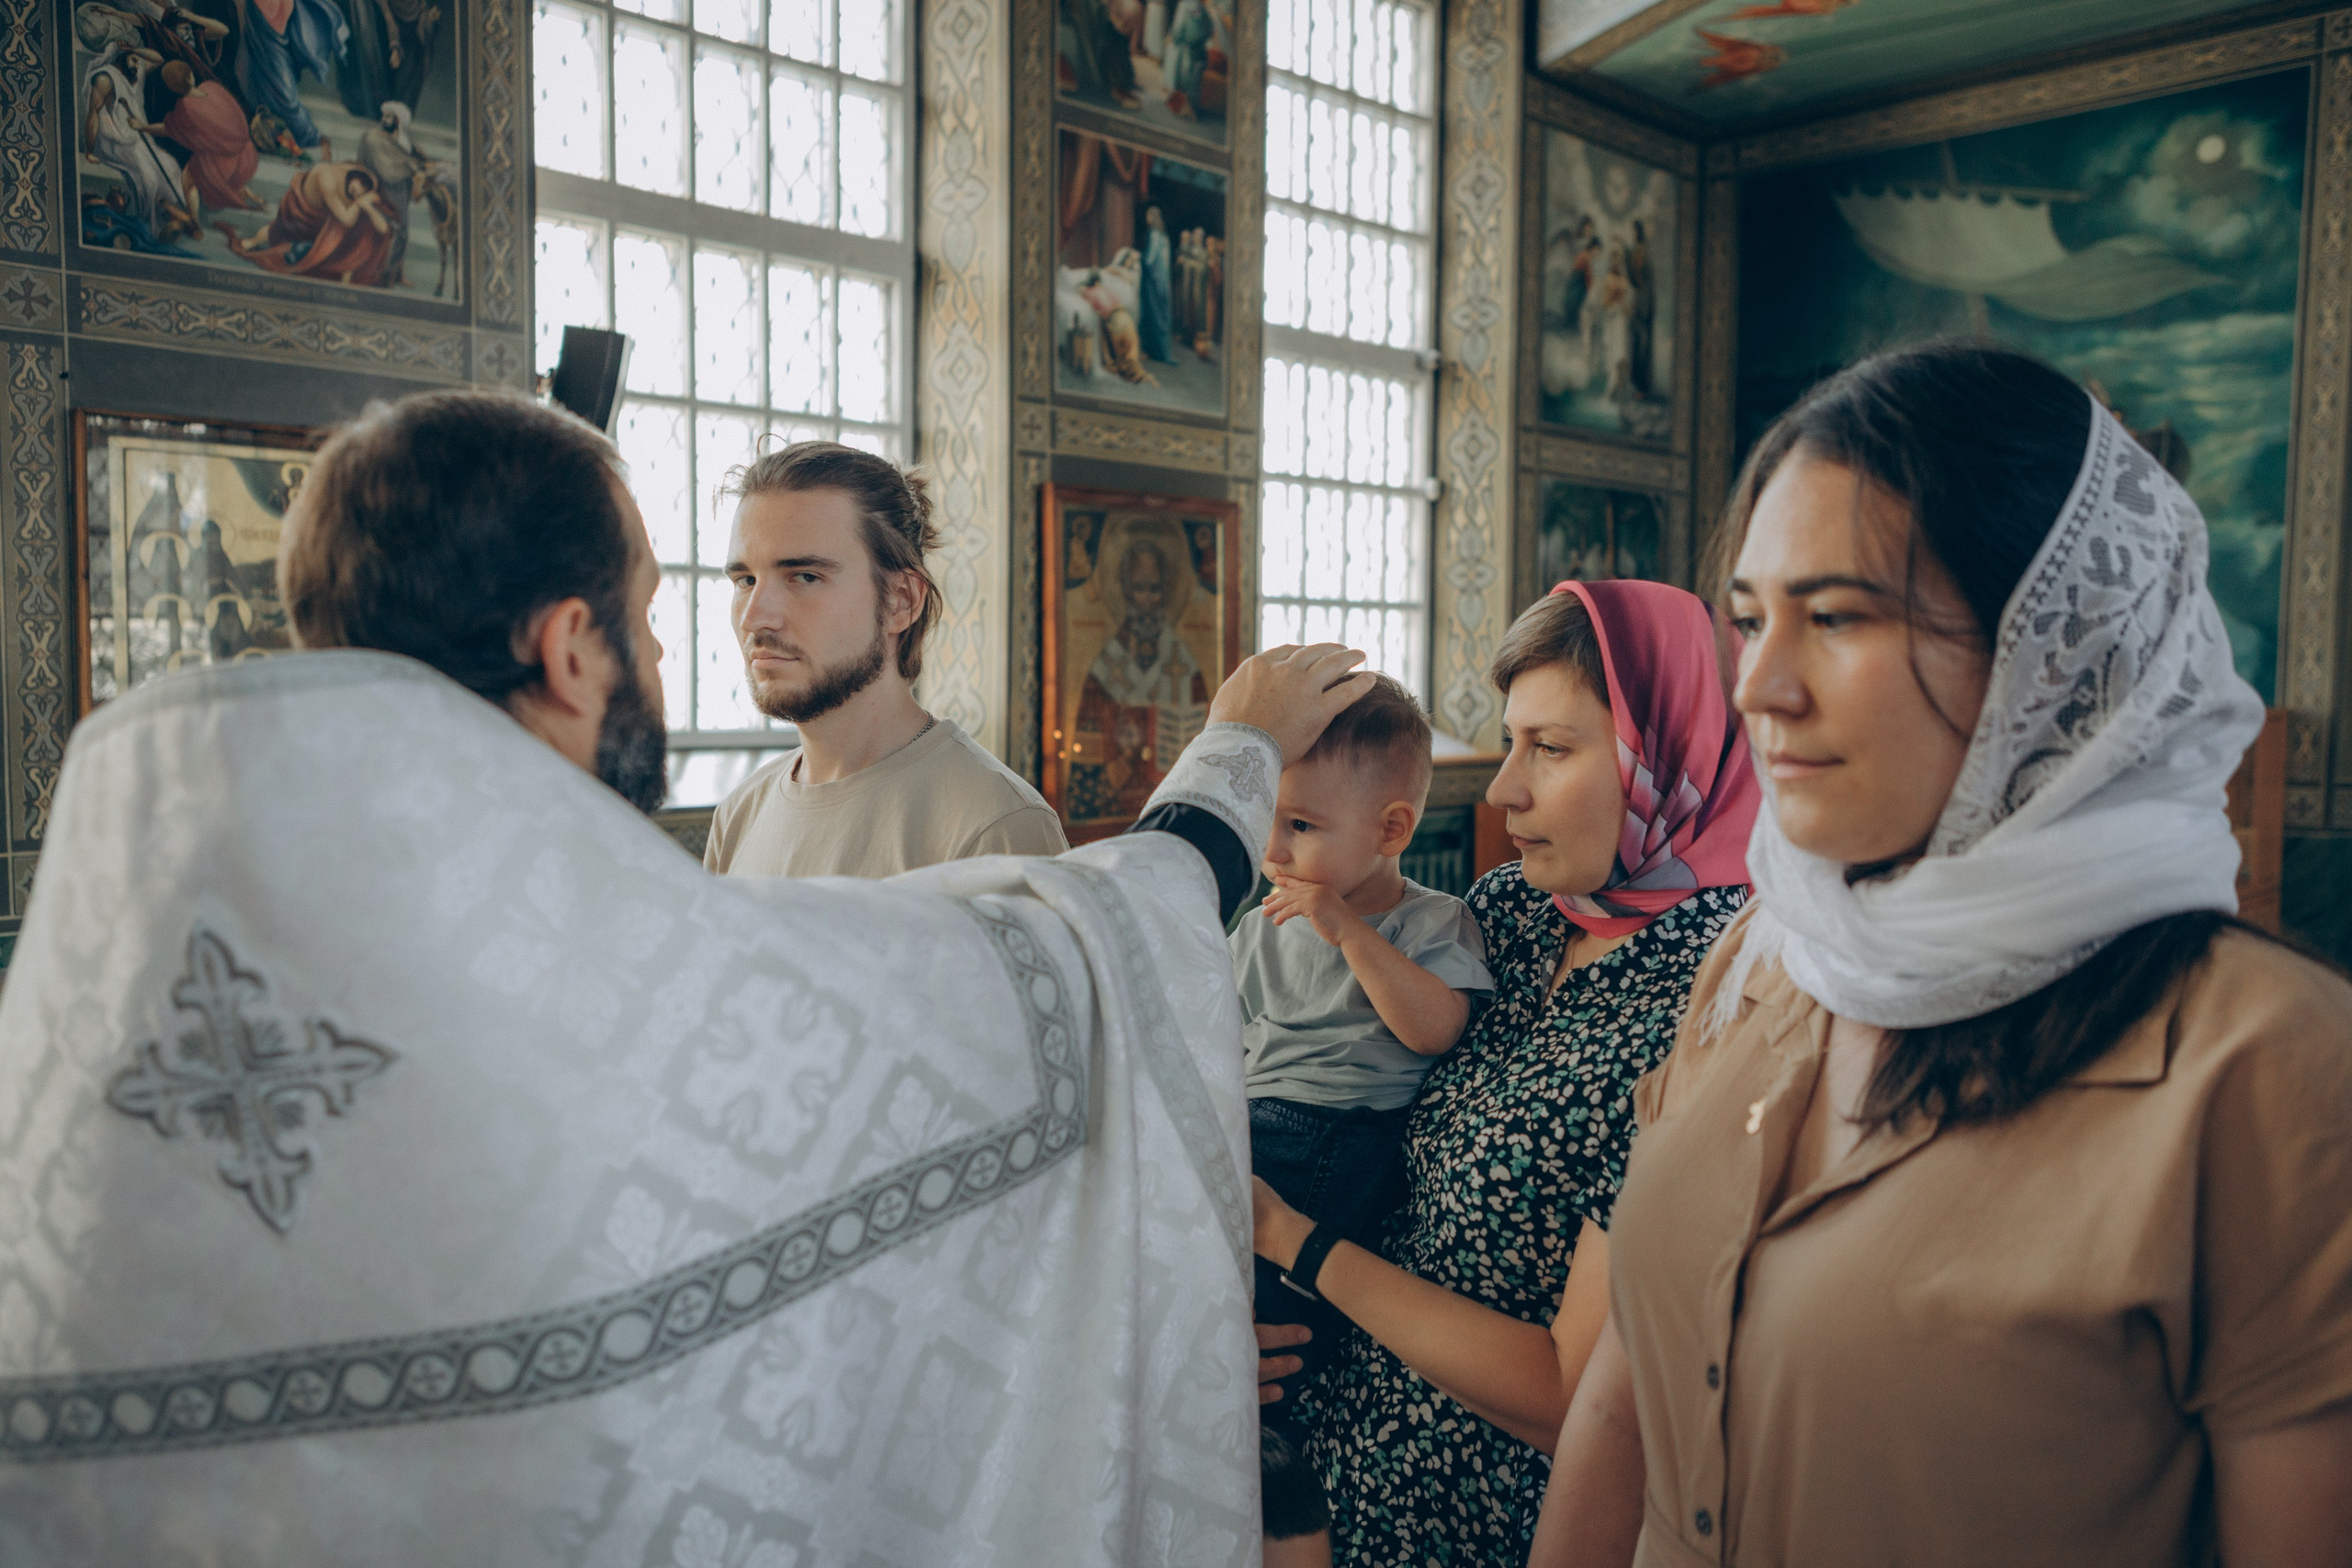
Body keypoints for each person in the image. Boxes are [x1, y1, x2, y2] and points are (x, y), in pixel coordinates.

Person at [0, 387, 1380, 1564]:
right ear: (570, 647)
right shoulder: (593, 904)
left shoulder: (187, 902)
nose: (687, 645)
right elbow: (1065, 973)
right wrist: (1232, 759)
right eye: (660, 610)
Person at [1532, 341, 2352, 1568]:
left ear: (2051, 651)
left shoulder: (2267, 1066)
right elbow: (1622, 1391)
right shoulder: (1762, 954)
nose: (1761, 686)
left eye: (1840, 614)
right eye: (1750, 619)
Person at [1252, 580, 1760, 1565]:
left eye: (1553, 748)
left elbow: (1571, 1396)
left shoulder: (1716, 1007)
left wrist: (1291, 1243)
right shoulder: (1517, 912)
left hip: (1469, 1519)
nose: (1501, 789)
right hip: (1327, 1467)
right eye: (1510, 740)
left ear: (1668, 756)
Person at [1231, 674, 1497, 1558]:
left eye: (1301, 827)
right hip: (1256, 1119)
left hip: (1348, 1133)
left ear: (1391, 830)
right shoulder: (1265, 919)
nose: (1276, 846)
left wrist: (1347, 929)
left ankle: (1280, 1471)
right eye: (1273, 818)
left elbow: (1435, 1028)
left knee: (1282, 1314)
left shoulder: (1433, 921)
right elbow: (1221, 1031)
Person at [703, 442, 1066, 878]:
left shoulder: (995, 827)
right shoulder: (738, 817)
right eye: (745, 579)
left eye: (804, 576)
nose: (754, 616)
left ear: (900, 601)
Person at [1074, 534, 1210, 818]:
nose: (1147, 599)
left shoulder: (1184, 665)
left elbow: (1206, 744)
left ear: (1167, 593)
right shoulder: (1106, 666)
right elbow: (1085, 762)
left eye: (1155, 589)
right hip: (1116, 806)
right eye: (1138, 588)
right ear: (1124, 591)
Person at [220, 161, 397, 285]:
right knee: (279, 234)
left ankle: (347, 272)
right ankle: (251, 242)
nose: (356, 195)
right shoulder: (328, 180)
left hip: (325, 215)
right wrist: (361, 203)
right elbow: (347, 219)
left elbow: (380, 225)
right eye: (356, 192)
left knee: (366, 226)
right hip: (302, 213)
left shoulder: (354, 176)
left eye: (359, 193)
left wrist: (367, 206)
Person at [159, 59, 261, 215]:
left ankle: (194, 222)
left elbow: (172, 130)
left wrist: (142, 127)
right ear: (190, 77)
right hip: (245, 154)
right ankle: (248, 194)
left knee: (188, 181)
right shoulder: (211, 87)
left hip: (220, 163)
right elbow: (235, 115)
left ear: (171, 87)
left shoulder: (185, 107)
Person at [356, 100, 426, 288]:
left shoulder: (403, 143)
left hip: (400, 193)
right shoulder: (375, 138)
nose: (383, 120)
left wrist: (417, 169)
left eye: (388, 117)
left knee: (401, 234)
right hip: (382, 190)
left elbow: (416, 160)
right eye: (384, 116)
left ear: (397, 121)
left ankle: (394, 275)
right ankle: (379, 275)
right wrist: (410, 167)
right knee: (386, 231)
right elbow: (388, 168)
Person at [1139, 205, 1175, 364]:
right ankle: (1162, 353)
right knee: (1162, 316)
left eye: (1148, 215)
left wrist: (1138, 259)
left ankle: (1157, 353)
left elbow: (1150, 259)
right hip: (1163, 282)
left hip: (1153, 282)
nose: (1146, 218)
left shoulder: (1154, 234)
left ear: (1153, 217)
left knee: (1153, 317)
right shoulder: (1164, 236)